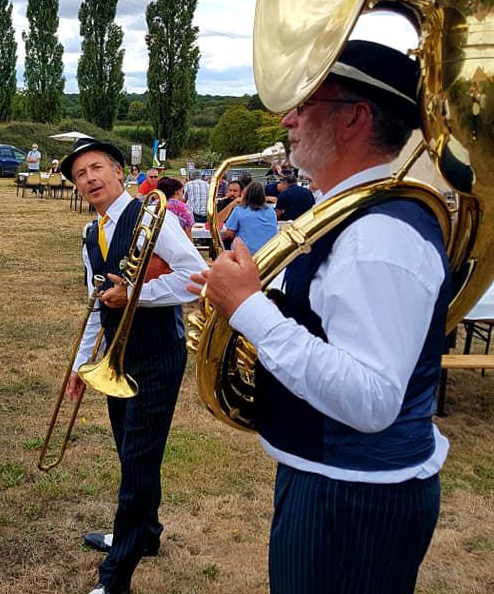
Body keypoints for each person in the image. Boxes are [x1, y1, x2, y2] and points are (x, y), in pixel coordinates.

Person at [189, 41, 449, 594]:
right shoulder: (356, 218)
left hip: (352, 498)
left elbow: (372, 399)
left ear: (355, 118)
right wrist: (245, 295)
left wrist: (249, 308)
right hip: (336, 482)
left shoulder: (378, 238)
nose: (288, 118)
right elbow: (330, 324)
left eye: (305, 104)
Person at [60, 138, 205, 594]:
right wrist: (81, 364)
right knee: (131, 454)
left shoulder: (152, 217)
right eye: (80, 175)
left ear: (119, 172)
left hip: (158, 355)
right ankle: (146, 534)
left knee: (138, 460)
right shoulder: (91, 234)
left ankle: (115, 577)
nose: (90, 179)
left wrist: (137, 295)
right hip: (117, 359)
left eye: (96, 168)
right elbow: (97, 305)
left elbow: (196, 279)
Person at [222, 181, 278, 254]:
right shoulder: (271, 211)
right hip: (267, 252)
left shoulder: (239, 210)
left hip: (245, 252)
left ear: (246, 194)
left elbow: (229, 234)